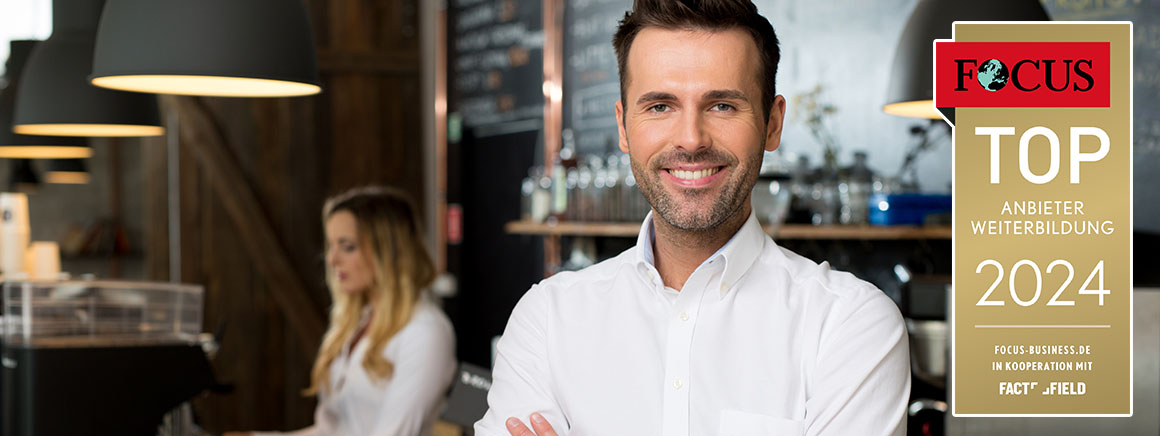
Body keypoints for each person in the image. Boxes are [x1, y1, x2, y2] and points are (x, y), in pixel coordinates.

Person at [475, 1, 909, 435]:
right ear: (624, 127)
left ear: (773, 124)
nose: (690, 140)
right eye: (660, 106)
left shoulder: (849, 324)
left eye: (721, 105)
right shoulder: (547, 319)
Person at [226, 186, 456, 436]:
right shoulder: (357, 323)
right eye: (330, 245)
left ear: (387, 252)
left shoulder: (425, 332)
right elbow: (331, 431)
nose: (332, 259)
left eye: (347, 246)